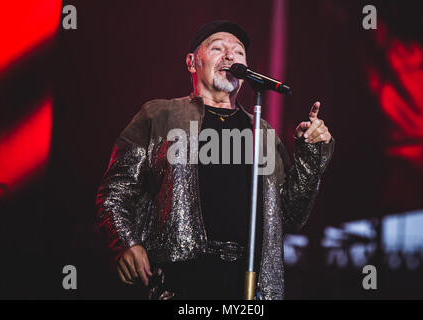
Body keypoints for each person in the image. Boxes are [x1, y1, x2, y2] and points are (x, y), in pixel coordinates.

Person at [96, 20, 334, 300]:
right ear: (191, 62)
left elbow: (291, 216)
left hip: (249, 287)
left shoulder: (263, 133)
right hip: (180, 282)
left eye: (239, 52)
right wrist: (126, 242)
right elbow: (115, 191)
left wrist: (310, 153)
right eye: (218, 48)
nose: (230, 56)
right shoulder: (159, 115)